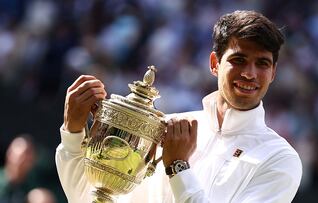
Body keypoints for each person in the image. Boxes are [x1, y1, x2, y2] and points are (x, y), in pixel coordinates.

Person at [56, 10, 302, 202]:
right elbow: (92, 198)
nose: (250, 73)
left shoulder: (279, 158)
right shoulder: (165, 127)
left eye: (262, 64)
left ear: (273, 73)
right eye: (239, 60)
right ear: (215, 63)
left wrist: (178, 168)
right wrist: (73, 132)